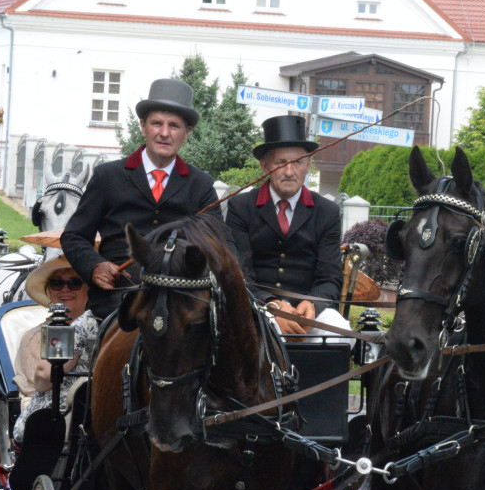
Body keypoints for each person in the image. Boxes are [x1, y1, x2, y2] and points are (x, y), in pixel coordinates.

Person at [61, 78, 221, 316]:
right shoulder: (108, 177)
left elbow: (219, 247)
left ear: (187, 133)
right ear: (143, 126)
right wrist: (95, 266)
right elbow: (74, 236)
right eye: (157, 124)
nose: (164, 133)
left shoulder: (201, 185)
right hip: (116, 299)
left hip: (179, 303)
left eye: (174, 126)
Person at [226, 115, 351, 346]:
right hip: (258, 308)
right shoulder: (241, 208)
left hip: (308, 312)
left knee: (340, 333)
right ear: (265, 166)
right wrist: (272, 305)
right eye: (281, 162)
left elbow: (330, 278)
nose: (289, 171)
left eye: (298, 162)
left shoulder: (327, 212)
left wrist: (312, 305)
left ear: (308, 166)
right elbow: (239, 273)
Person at [12, 257, 98, 444]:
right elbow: (37, 383)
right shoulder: (34, 337)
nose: (65, 289)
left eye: (74, 283)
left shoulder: (98, 326)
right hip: (53, 414)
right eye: (57, 283)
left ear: (89, 289)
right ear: (50, 292)